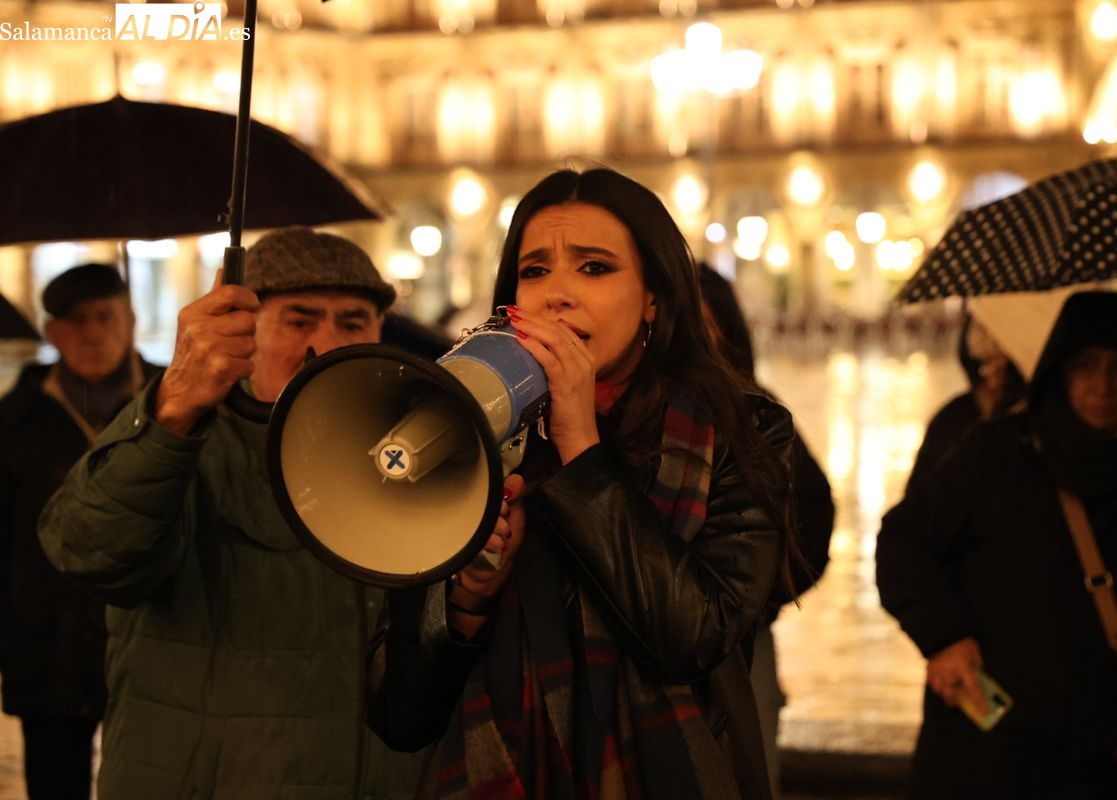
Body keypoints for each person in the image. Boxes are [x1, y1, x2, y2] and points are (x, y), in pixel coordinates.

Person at [365, 167, 805, 799]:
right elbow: (399, 712)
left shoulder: (742, 433)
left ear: (653, 297)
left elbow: (695, 637)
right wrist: (467, 601)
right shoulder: (469, 436)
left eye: (594, 268)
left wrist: (581, 449)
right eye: (535, 270)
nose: (557, 295)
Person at [38, 227, 422, 798]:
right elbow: (88, 547)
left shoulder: (407, 454)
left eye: (352, 322)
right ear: (244, 330)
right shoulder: (186, 440)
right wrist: (172, 410)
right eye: (299, 320)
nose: (327, 344)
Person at [876, 291, 1117, 799]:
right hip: (990, 749)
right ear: (1060, 372)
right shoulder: (997, 453)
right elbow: (904, 540)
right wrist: (943, 636)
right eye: (1086, 367)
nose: (1103, 386)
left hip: (1112, 758)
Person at [0, 264, 157, 799]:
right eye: (75, 320)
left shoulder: (172, 404)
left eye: (104, 316)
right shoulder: (16, 418)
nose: (92, 333)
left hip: (152, 646)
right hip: (48, 651)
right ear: (52, 332)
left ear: (130, 321)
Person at [698, 262, 834, 798]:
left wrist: (756, 597)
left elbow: (814, 517)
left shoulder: (759, 417)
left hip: (743, 644)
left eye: (706, 326)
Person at [908, 313, 1026, 486]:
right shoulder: (951, 420)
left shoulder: (1035, 423)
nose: (994, 378)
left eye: (1003, 367)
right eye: (985, 366)